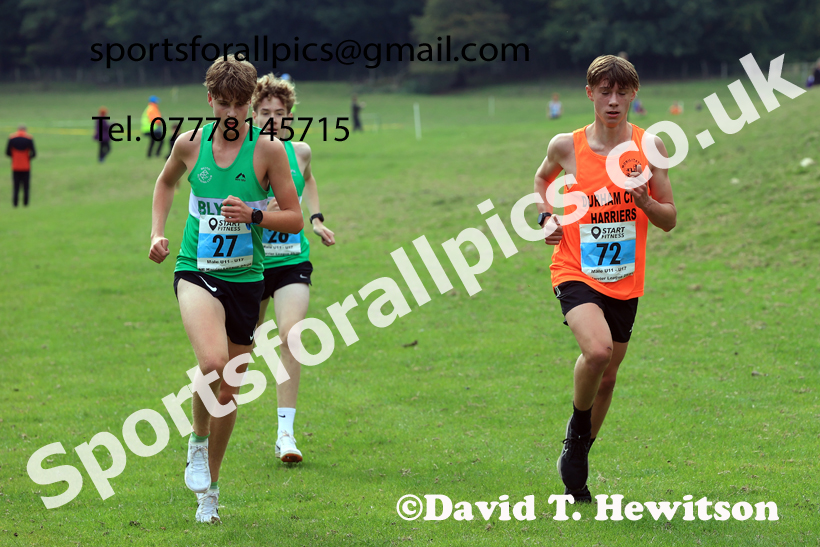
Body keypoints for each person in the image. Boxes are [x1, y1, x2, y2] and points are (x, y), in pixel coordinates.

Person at [148, 55, 303, 524]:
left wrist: (254, 215)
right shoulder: (189, 144)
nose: (232, 113)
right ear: (210, 100)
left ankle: (210, 492)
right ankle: (197, 441)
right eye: (224, 103)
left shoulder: (268, 151)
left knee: (229, 390)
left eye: (240, 104)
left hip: (246, 277)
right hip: (196, 268)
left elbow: (294, 219)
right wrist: (157, 232)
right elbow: (165, 184)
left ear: (250, 103)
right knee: (212, 363)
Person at [532, 55, 676, 502]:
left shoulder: (650, 147)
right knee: (597, 352)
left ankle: (577, 456)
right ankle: (577, 434)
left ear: (634, 95)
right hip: (574, 268)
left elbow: (669, 218)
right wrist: (545, 217)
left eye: (622, 92)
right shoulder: (566, 146)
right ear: (590, 94)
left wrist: (645, 203)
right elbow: (541, 182)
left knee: (609, 377)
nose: (613, 100)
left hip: (625, 279)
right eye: (605, 91)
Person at [251, 74, 336, 464]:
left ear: (289, 116)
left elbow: (309, 179)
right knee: (242, 347)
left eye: (279, 113)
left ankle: (285, 434)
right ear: (253, 115)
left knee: (292, 335)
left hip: (290, 260)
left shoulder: (300, 152)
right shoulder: (243, 155)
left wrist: (315, 218)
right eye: (265, 112)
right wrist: (259, 213)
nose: (272, 119)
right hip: (248, 263)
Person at [6, 125, 36, 207]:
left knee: (16, 187)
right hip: (26, 167)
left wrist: (15, 157)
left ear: (18, 130)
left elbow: (7, 152)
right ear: (25, 130)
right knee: (26, 187)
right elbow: (34, 153)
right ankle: (26, 204)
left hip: (15, 166)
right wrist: (27, 158)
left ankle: (15, 204)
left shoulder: (12, 138)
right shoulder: (29, 138)